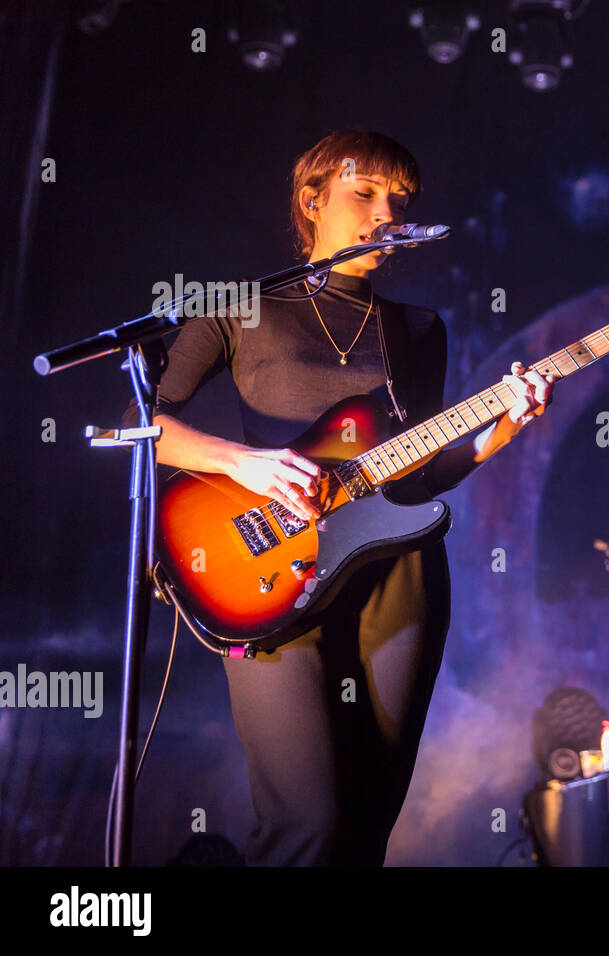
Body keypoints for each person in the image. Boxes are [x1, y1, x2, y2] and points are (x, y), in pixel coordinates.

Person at [130, 130, 554, 865]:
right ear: (312, 199)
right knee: (309, 823)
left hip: (401, 579)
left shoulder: (416, 329)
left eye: (400, 200)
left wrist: (503, 428)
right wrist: (247, 465)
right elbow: (141, 428)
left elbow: (418, 472)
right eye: (366, 193)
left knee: (363, 828)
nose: (386, 211)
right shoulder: (238, 306)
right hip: (267, 570)